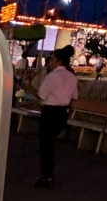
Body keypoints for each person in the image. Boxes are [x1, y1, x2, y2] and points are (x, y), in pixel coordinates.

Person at [27, 47, 78, 188]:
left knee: (45, 144)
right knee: (49, 143)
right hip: (62, 113)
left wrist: (29, 87)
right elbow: (74, 96)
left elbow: (41, 95)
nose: (50, 62)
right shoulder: (72, 76)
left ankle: (47, 176)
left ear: (59, 61)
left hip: (50, 112)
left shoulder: (52, 76)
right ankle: (47, 175)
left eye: (52, 59)